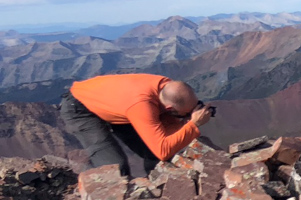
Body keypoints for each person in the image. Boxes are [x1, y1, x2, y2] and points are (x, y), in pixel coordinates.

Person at [60, 74, 214, 176]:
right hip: (80, 108)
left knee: (152, 152)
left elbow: (168, 133)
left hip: (118, 106)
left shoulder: (167, 87)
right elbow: (163, 150)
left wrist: (186, 122)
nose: (187, 116)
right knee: (115, 168)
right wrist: (193, 124)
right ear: (169, 109)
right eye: (186, 113)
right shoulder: (141, 105)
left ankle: (158, 184)